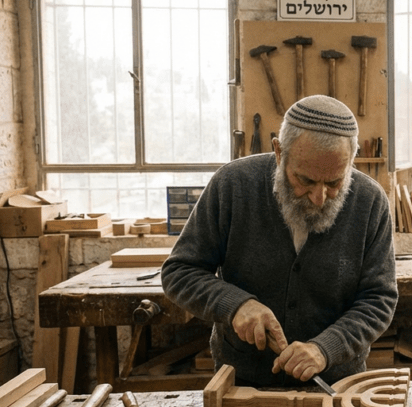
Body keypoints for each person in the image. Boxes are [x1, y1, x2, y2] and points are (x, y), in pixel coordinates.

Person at [162, 95, 397, 387]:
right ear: (278, 151)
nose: (319, 197)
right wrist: (235, 305)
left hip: (336, 386)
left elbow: (379, 299)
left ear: (351, 161)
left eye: (334, 182)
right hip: (244, 383)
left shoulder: (371, 202)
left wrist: (325, 348)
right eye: (306, 180)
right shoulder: (232, 185)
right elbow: (179, 272)